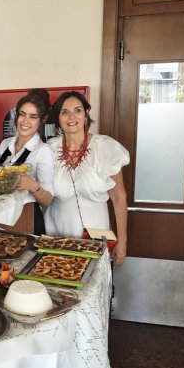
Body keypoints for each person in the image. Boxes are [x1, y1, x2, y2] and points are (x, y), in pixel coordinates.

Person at [44, 91, 129, 265]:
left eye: (78, 110)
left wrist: (122, 241)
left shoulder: (105, 148)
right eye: (65, 112)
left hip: (96, 235)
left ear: (86, 115)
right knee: (58, 276)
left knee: (93, 277)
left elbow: (119, 198)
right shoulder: (48, 150)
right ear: (58, 118)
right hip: (57, 234)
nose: (72, 117)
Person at [0, 89, 54, 234]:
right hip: (2, 217)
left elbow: (48, 200)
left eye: (33, 117)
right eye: (22, 114)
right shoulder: (4, 145)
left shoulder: (43, 151)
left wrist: (32, 185)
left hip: (28, 219)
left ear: (42, 120)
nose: (25, 121)